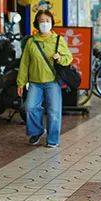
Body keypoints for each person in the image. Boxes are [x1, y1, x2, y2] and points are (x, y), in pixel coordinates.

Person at [17, 9, 73, 149]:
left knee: (54, 112)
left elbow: (69, 58)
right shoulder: (31, 42)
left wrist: (60, 58)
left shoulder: (58, 40)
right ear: (36, 23)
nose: (45, 24)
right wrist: (21, 82)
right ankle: (37, 131)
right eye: (42, 21)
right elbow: (24, 63)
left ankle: (52, 140)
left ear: (52, 23)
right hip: (35, 83)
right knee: (30, 107)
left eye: (47, 21)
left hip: (52, 82)